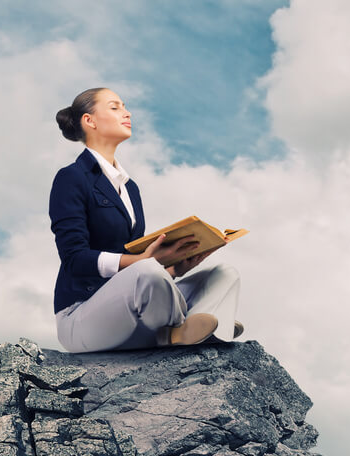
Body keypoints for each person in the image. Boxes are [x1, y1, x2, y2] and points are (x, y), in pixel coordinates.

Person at [50, 87, 242, 352]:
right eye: (115, 107)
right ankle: (190, 327)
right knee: (148, 269)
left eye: (125, 106)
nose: (127, 113)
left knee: (224, 274)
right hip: (82, 317)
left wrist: (177, 268)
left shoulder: (131, 189)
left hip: (129, 310)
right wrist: (141, 262)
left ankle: (199, 328)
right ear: (89, 120)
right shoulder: (71, 177)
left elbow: (140, 277)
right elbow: (73, 258)